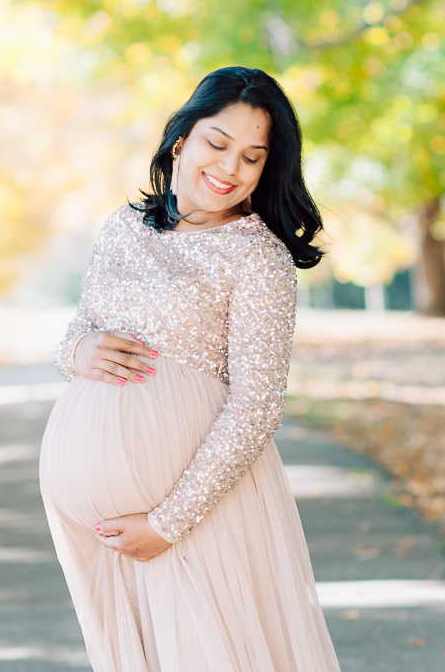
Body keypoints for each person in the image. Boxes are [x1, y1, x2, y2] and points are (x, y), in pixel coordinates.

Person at [39, 66, 342, 672]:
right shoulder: (123, 228)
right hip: (98, 529)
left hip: (195, 513)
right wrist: (76, 352)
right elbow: (78, 332)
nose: (230, 168)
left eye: (254, 157)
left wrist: (167, 521)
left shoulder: (260, 257)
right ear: (182, 139)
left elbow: (257, 407)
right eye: (218, 143)